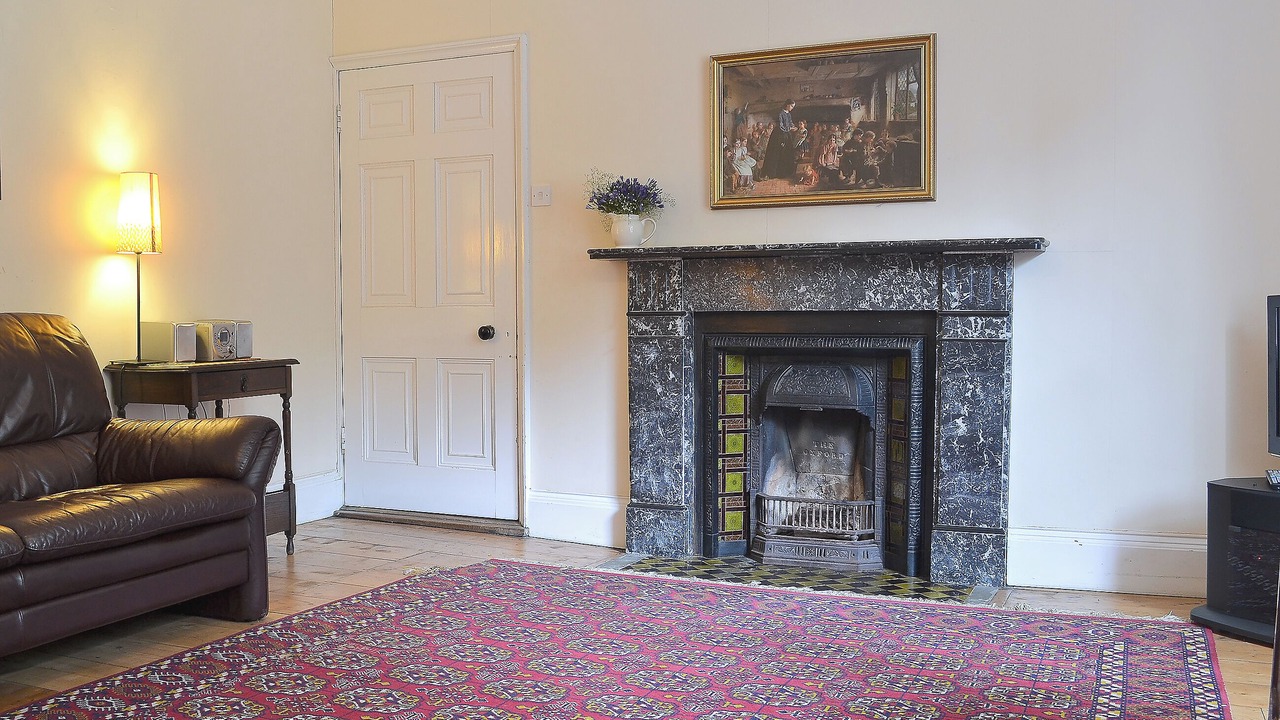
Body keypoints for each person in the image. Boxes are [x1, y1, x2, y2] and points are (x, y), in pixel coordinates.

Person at [760, 100, 796, 181]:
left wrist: (793, 126)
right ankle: (774, 173)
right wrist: (789, 129)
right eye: (791, 106)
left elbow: (790, 122)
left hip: (786, 134)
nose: (792, 108)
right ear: (787, 105)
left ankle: (785, 172)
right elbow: (781, 126)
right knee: (776, 153)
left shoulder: (788, 114)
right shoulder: (780, 113)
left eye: (793, 107)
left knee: (786, 152)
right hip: (779, 135)